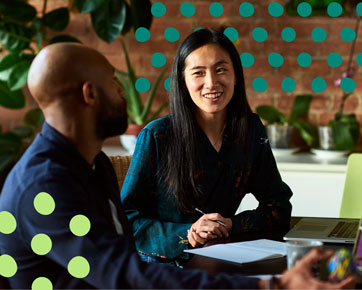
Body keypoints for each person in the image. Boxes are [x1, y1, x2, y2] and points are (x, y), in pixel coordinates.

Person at [0, 43, 354, 290]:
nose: (123, 91)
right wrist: (271, 286)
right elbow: (123, 275)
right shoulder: (43, 187)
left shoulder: (92, 166)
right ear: (90, 94)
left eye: (221, 70)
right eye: (114, 81)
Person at [121, 28, 293, 263]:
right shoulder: (157, 136)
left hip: (224, 261)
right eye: (198, 73)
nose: (211, 83)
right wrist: (189, 233)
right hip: (163, 267)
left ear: (236, 76)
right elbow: (127, 220)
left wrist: (229, 224)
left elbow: (278, 206)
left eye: (220, 70)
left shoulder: (250, 130)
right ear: (183, 81)